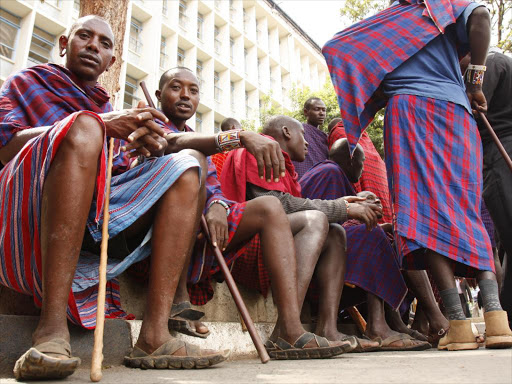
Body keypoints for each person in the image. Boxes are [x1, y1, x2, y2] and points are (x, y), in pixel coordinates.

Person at [0, 17, 288, 380]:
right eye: (84, 37)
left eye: (105, 44)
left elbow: (158, 151)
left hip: (98, 211)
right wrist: (94, 125)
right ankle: (51, 329)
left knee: (187, 166)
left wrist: (141, 148)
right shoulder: (26, 83)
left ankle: (154, 335)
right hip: (30, 201)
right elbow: (7, 146)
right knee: (85, 127)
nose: (93, 46)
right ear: (63, 44)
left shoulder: (108, 108)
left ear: (111, 62)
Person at [323, 0, 512, 349]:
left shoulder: (388, 25)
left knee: (425, 218)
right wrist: (474, 82)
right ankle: (497, 320)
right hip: (457, 116)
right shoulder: (440, 9)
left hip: (410, 113)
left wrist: (372, 94)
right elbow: (481, 16)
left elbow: (336, 51)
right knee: (465, 213)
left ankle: (458, 324)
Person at [153, 67, 350, 359]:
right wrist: (240, 136)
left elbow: (215, 190)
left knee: (280, 210)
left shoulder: (197, 137)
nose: (185, 96)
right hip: (163, 222)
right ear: (159, 95)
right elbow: (171, 143)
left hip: (213, 223)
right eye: (175, 88)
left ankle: (290, 330)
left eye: (193, 91)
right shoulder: (151, 122)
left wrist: (217, 205)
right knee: (297, 212)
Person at [300, 138, 430, 351]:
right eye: (361, 163)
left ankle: (394, 322)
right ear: (351, 160)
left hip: (328, 253)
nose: (362, 170)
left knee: (392, 241)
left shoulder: (334, 175)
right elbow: (323, 224)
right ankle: (378, 326)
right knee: (369, 233)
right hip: (313, 266)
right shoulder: (329, 172)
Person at [291, 97, 329, 179]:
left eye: (324, 110)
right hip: (302, 177)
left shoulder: (326, 137)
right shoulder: (297, 131)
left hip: (322, 179)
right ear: (306, 112)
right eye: (317, 109)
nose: (321, 113)